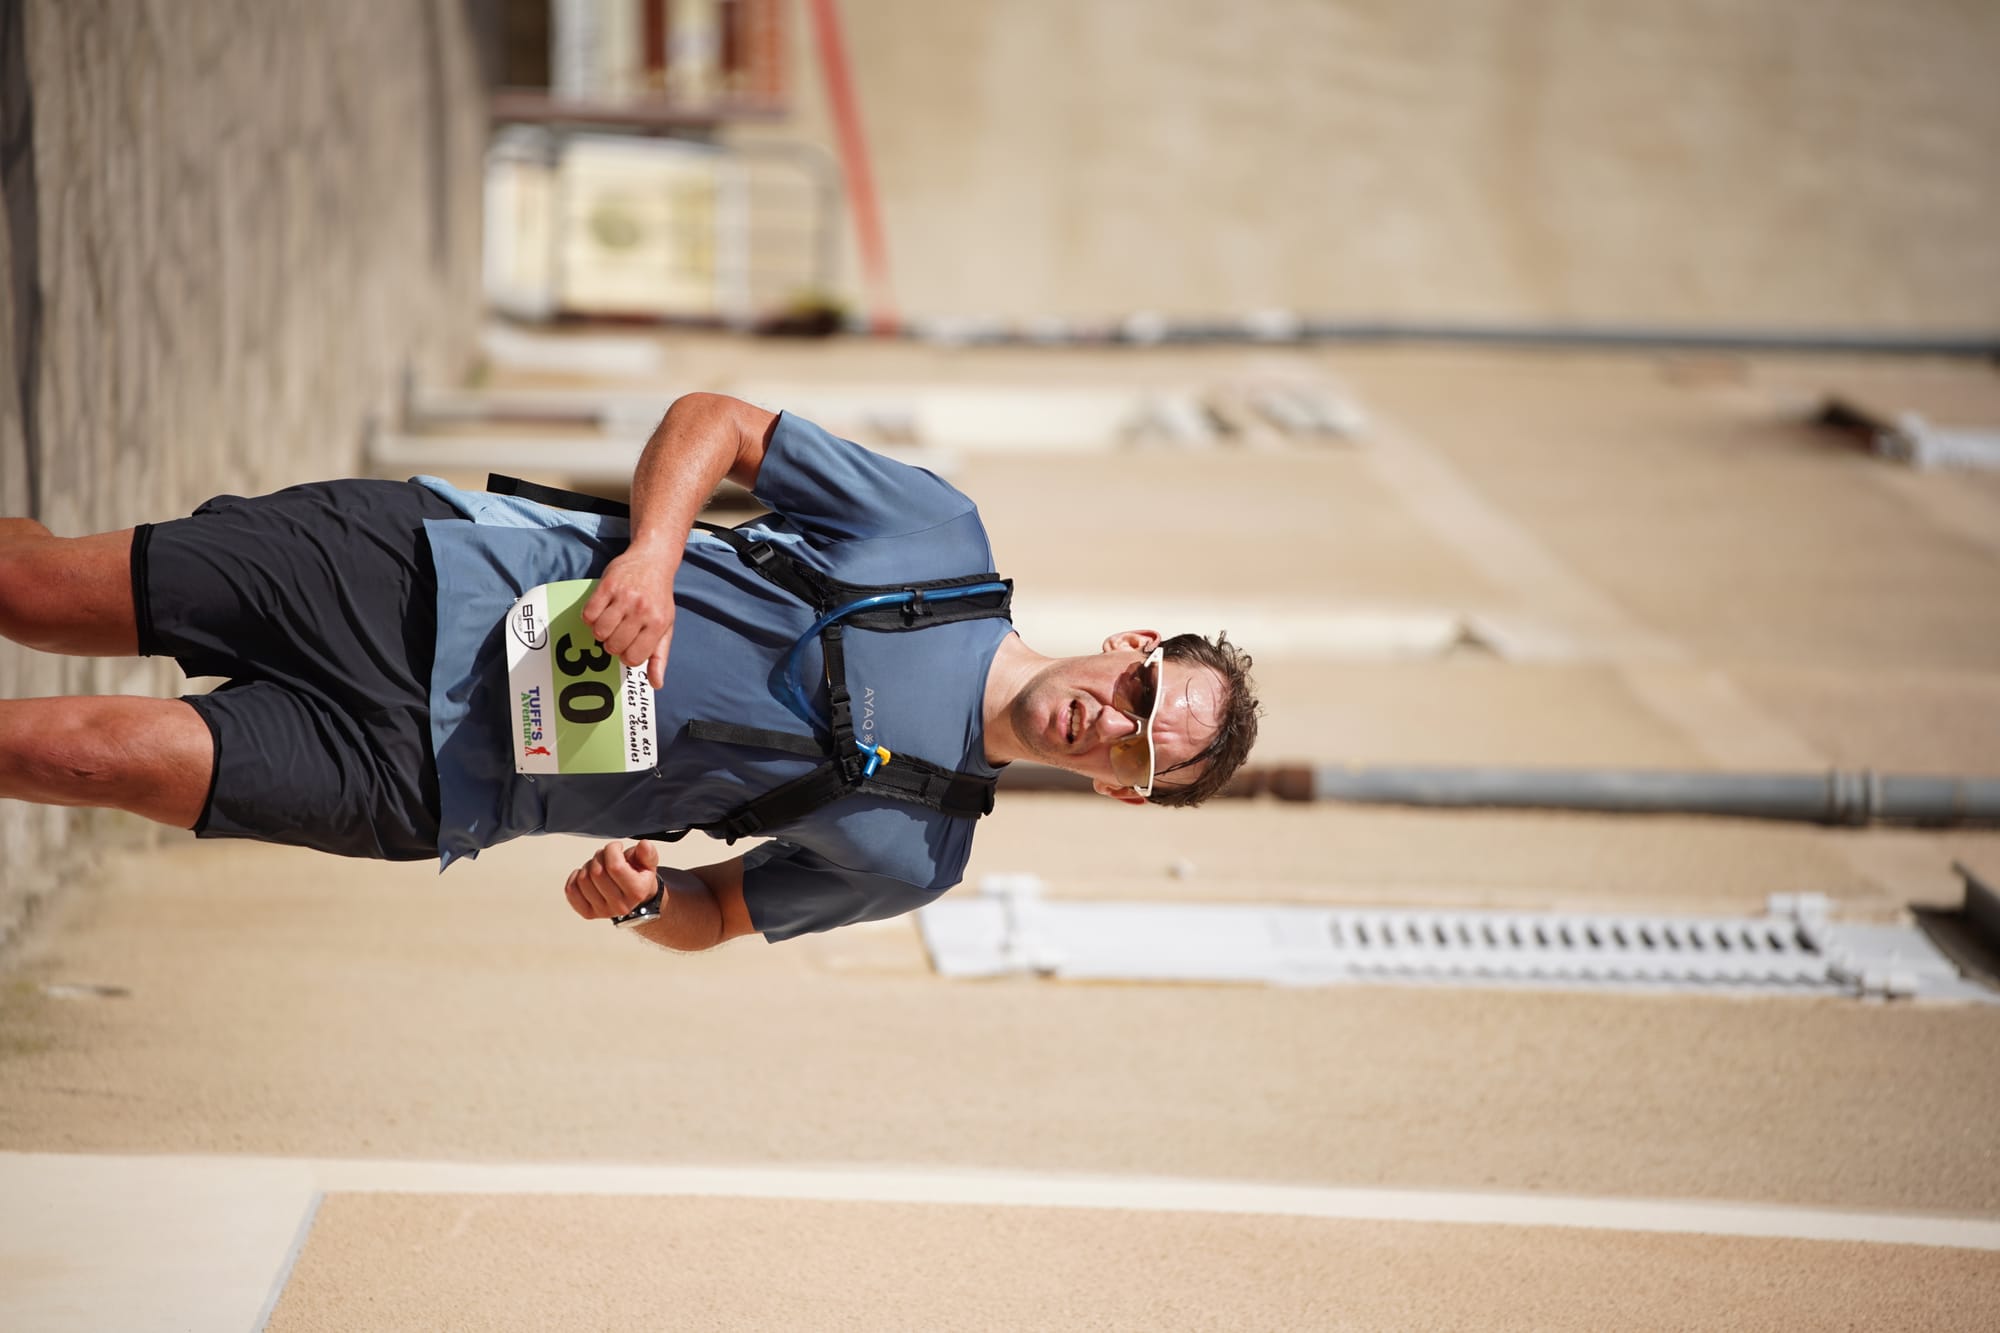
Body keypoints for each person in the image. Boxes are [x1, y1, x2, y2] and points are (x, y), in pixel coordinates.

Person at [0, 394, 1259, 949]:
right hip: (424, 574)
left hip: (431, 780)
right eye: (1143, 695)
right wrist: (652, 557)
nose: (1113, 723)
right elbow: (714, 419)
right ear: (1134, 646)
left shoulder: (913, 856)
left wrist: (642, 902)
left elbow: (713, 914)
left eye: (1139, 752)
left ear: (1122, 794)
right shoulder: (935, 538)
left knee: (79, 755)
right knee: (38, 594)